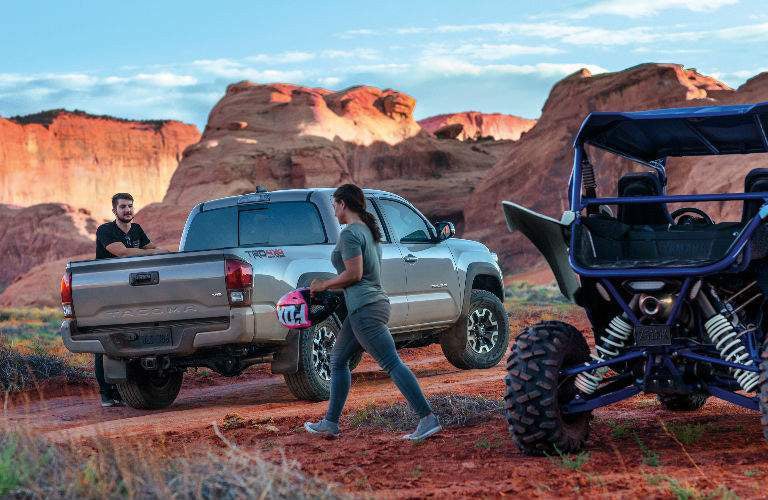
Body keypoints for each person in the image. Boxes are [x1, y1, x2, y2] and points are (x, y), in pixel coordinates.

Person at [304, 184, 442, 441]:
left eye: (335, 205)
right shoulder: (368, 231)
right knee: (337, 360)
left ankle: (427, 418)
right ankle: (330, 423)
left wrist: (323, 284)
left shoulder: (350, 234)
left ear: (344, 204)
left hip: (366, 310)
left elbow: (354, 275)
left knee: (391, 363)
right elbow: (363, 275)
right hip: (367, 307)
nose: (333, 211)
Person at [94, 193, 166, 407]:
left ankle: (127, 390)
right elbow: (122, 253)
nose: (127, 210)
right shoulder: (105, 230)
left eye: (130, 206)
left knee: (130, 338)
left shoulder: (137, 230)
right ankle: (106, 393)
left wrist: (148, 251)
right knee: (105, 343)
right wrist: (144, 252)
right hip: (106, 292)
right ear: (114, 210)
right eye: (123, 206)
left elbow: (151, 248)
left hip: (131, 292)